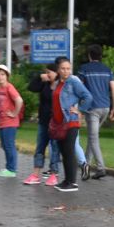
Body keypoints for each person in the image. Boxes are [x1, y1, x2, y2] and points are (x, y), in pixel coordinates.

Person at [44, 56, 93, 193]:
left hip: (70, 121)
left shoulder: (73, 81)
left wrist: (80, 110)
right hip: (59, 123)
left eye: (68, 69)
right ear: (58, 70)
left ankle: (72, 182)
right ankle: (66, 180)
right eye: (63, 69)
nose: (66, 71)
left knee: (69, 151)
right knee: (64, 152)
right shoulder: (59, 83)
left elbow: (88, 96)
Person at [76, 44, 114, 179]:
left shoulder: (84, 69)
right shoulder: (107, 70)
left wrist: (79, 107)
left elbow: (79, 88)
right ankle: (86, 165)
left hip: (92, 108)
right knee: (92, 137)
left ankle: (100, 168)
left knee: (93, 138)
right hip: (105, 107)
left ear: (89, 55)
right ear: (100, 56)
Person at [23, 61, 64, 186]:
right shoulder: (44, 84)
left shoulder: (61, 86)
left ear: (56, 73)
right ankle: (36, 174)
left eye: (49, 72)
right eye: (46, 72)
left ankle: (54, 174)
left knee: (55, 148)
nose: (47, 74)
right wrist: (39, 77)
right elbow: (31, 87)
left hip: (56, 123)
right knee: (40, 147)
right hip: (43, 121)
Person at [0, 64, 24, 177]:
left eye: (2, 74)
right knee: (5, 145)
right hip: (2, 122)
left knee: (9, 145)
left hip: (10, 122)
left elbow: (19, 100)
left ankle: (11, 169)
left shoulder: (9, 87)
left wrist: (14, 113)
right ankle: (8, 168)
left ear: (7, 76)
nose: (0, 77)